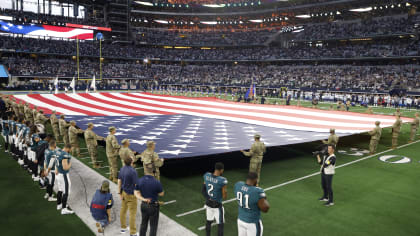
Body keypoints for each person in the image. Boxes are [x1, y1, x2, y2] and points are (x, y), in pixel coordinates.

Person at [135, 164, 164, 236]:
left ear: (145, 171)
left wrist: (144, 199)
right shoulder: (157, 182)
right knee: (153, 226)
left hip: (144, 205)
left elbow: (136, 193)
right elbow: (161, 194)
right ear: (154, 172)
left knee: (143, 223)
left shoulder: (140, 180)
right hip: (153, 206)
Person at [202, 162, 227, 236]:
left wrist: (209, 198)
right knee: (220, 224)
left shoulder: (206, 175)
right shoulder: (222, 180)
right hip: (217, 205)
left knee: (208, 222)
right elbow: (224, 196)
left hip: (208, 203)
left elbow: (203, 190)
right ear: (221, 170)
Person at [118, 157, 138, 236]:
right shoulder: (133, 171)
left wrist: (119, 193)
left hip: (123, 193)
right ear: (131, 162)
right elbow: (136, 185)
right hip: (131, 195)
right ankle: (133, 233)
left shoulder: (122, 169)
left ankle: (123, 228)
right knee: (132, 213)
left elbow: (119, 181)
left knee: (123, 210)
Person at [55, 144, 74, 215]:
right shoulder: (65, 155)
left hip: (58, 174)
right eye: (70, 149)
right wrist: (70, 164)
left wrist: (56, 169)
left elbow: (56, 162)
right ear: (68, 148)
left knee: (60, 189)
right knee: (66, 192)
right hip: (64, 175)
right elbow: (65, 167)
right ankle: (64, 209)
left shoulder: (58, 151)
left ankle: (59, 204)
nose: (71, 151)